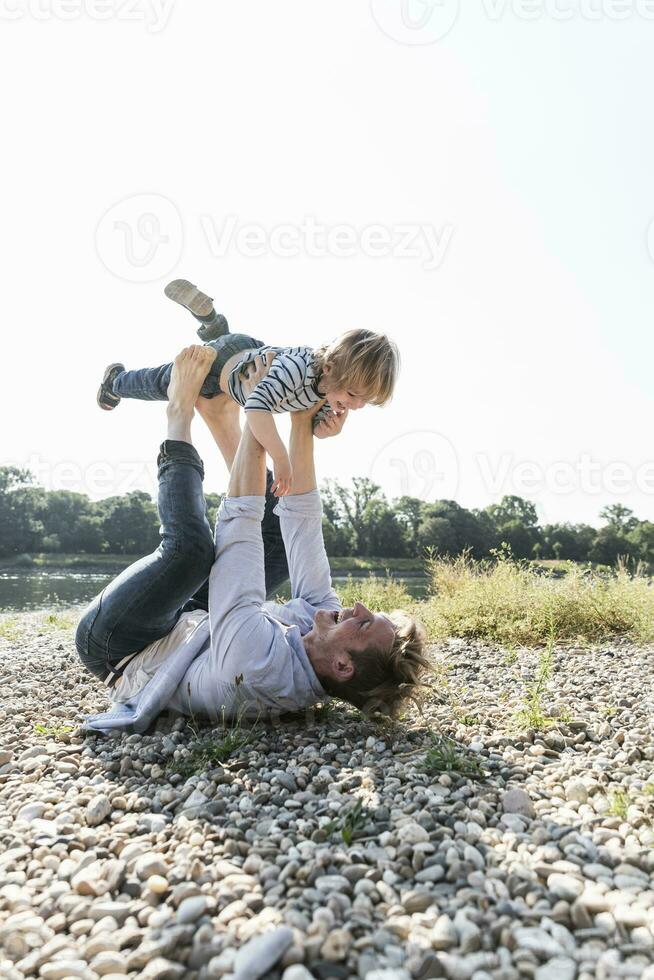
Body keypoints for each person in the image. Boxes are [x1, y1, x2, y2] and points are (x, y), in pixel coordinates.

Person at [78, 345, 429, 734]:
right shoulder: (322, 634)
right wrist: (302, 418)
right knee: (279, 538)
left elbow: (239, 527)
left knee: (191, 553)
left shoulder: (257, 667)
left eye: (363, 625)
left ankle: (178, 414)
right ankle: (217, 415)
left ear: (343, 666)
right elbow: (303, 523)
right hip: (194, 629)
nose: (359, 607)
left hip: (122, 646)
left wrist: (257, 407)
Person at [96, 278, 400, 496]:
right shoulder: (298, 370)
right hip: (219, 370)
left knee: (225, 346)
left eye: (365, 401)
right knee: (164, 382)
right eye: (352, 395)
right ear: (331, 368)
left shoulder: (326, 387)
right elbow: (256, 406)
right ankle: (116, 382)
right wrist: (280, 457)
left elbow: (312, 428)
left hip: (243, 354)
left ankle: (210, 319)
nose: (356, 405)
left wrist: (328, 430)